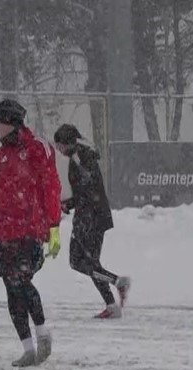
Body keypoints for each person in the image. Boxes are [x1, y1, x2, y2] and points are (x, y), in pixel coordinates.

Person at [0, 99, 62, 367]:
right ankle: (27, 347)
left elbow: (50, 187)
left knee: (22, 281)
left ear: (9, 123)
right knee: (10, 287)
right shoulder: (1, 155)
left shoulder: (37, 149)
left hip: (29, 229)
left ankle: (42, 332)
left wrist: (53, 226)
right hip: (4, 231)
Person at [53, 124, 131, 319]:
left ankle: (117, 282)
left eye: (59, 145)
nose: (58, 149)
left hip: (90, 218)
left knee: (78, 261)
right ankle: (112, 304)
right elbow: (87, 190)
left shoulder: (79, 158)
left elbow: (86, 190)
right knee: (90, 264)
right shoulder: (82, 155)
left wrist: (68, 204)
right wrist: (70, 204)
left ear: (67, 143)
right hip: (95, 216)